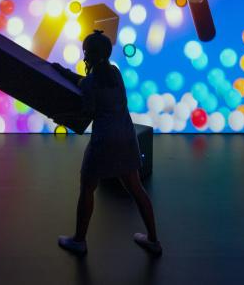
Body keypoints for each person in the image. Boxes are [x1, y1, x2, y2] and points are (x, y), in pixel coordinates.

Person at [51, 30, 162, 256]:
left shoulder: (91, 82)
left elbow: (87, 112)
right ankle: (153, 240)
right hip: (127, 138)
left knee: (87, 189)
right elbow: (84, 81)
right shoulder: (114, 73)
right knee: (136, 189)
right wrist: (63, 72)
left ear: (88, 54)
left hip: (104, 142)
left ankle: (79, 241)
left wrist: (60, 117)